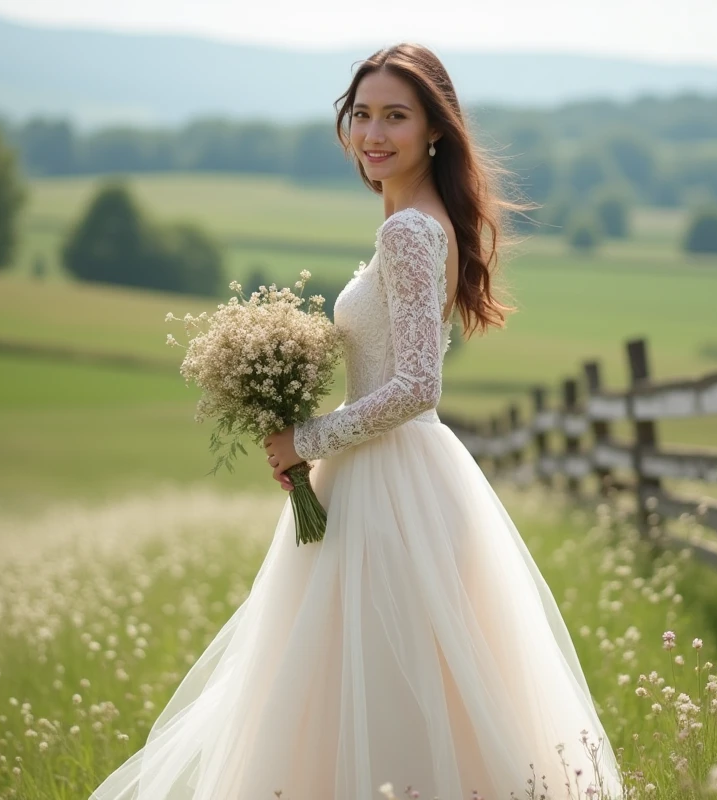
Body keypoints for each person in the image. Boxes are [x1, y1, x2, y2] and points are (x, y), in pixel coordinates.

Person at [90, 43, 623, 800]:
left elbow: (415, 385)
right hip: (395, 472)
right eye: (363, 115)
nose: (374, 133)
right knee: (393, 687)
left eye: (396, 117)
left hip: (389, 484)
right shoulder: (419, 218)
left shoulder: (408, 233)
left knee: (373, 683)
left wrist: (306, 438)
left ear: (434, 130)